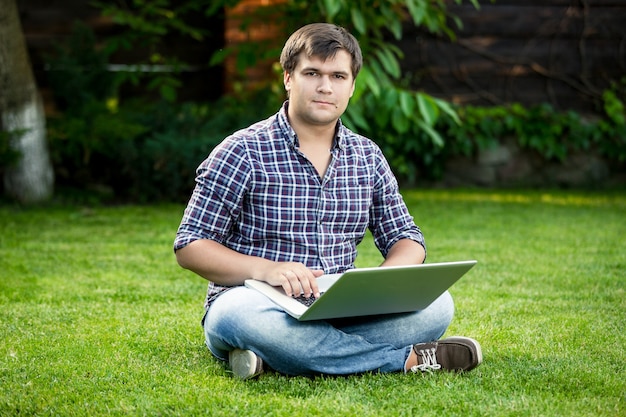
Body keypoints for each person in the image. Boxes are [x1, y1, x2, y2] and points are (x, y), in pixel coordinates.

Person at [174, 23, 482, 379]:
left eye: (338, 75)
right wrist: (267, 270)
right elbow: (190, 245)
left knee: (438, 306)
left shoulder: (366, 156)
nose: (325, 86)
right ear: (288, 78)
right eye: (312, 73)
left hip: (340, 306)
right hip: (255, 301)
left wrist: (385, 285)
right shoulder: (241, 150)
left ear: (351, 86)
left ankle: (277, 357)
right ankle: (405, 361)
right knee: (246, 320)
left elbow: (405, 237)